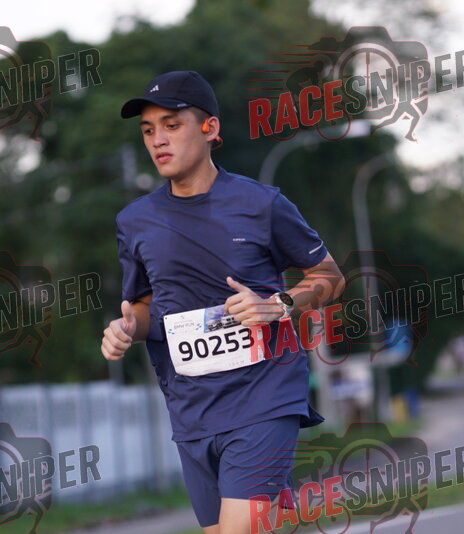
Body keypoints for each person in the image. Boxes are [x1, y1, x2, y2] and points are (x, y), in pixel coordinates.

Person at [101, 70, 344, 534]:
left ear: (209, 128)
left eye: (172, 125)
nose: (158, 140)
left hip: (263, 399)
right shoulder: (135, 221)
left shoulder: (261, 204)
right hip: (191, 410)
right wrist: (128, 328)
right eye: (148, 130)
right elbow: (148, 310)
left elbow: (329, 277)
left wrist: (280, 304)